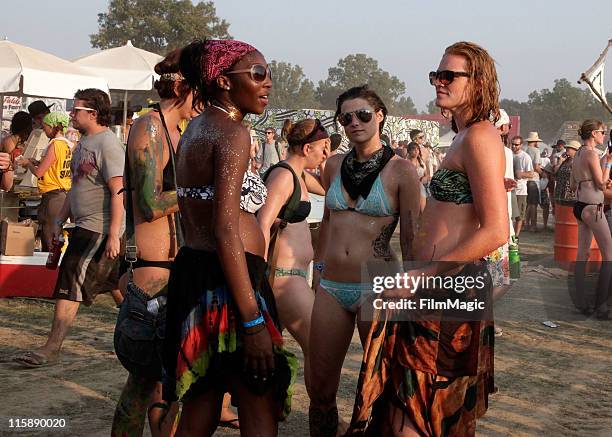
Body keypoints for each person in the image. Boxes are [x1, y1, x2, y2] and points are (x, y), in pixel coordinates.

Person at [349, 41, 508, 437]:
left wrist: (424, 276)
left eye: (449, 76)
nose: (439, 82)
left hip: (447, 290)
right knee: (413, 408)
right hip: (431, 287)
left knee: (420, 412)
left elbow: (496, 230)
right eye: (436, 75)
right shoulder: (461, 136)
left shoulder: (481, 137)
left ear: (479, 82)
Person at [161, 39, 296, 436]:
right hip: (230, 285)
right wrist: (252, 321)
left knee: (202, 400)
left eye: (268, 73)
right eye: (256, 74)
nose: (267, 83)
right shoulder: (231, 133)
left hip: (198, 277)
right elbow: (224, 229)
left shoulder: (196, 129)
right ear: (222, 81)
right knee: (258, 400)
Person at [308, 85, 421, 437]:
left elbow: (412, 238)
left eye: (363, 115)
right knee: (320, 388)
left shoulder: (402, 171)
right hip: (331, 287)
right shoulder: (333, 165)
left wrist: (412, 290)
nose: (354, 122)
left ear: (380, 116)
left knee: (380, 388)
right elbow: (327, 221)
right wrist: (318, 270)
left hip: (379, 284)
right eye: (346, 117)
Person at [110, 49, 199, 437]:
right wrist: (204, 191)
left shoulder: (180, 132)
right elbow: (148, 203)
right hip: (151, 278)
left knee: (176, 386)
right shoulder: (149, 127)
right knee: (142, 386)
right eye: (203, 89)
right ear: (183, 87)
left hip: (176, 273)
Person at [13, 89, 125, 367]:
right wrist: (61, 219)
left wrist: (113, 234)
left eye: (77, 110)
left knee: (70, 285)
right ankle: (146, 328)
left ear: (93, 113)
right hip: (83, 225)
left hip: (97, 229)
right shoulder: (85, 142)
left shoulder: (108, 144)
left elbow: (119, 191)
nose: (71, 114)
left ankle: (52, 347)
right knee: (119, 286)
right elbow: (76, 186)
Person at [257, 118, 330, 397]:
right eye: (323, 147)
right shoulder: (284, 175)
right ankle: (323, 415)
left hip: (294, 277)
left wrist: (328, 160)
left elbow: (330, 187)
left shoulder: (299, 175)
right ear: (307, 147)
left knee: (267, 349)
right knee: (318, 346)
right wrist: (257, 274)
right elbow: (263, 222)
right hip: (284, 279)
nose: (326, 153)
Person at [570, 119, 612, 320]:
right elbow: (601, 183)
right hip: (593, 208)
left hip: (579, 206)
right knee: (609, 254)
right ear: (594, 133)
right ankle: (601, 305)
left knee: (582, 254)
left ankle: (580, 301)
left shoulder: (577, 154)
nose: (604, 135)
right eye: (602, 132)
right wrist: (609, 163)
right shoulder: (591, 154)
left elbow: (571, 184)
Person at [17, 112, 73, 251]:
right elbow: (53, 165)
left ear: (53, 126)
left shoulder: (55, 145)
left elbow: (39, 172)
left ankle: (50, 271)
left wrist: (27, 163)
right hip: (62, 194)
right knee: (54, 237)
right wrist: (35, 161)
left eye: (45, 127)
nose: (44, 130)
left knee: (50, 240)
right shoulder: (66, 144)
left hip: (53, 196)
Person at [512, 135, 534, 238]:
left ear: (521, 145)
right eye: (512, 144)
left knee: (519, 216)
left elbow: (531, 174)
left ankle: (516, 237)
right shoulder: (508, 154)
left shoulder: (525, 157)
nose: (514, 146)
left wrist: (521, 174)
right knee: (509, 215)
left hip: (520, 190)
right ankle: (509, 235)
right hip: (508, 190)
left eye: (516, 144)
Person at [524, 132, 543, 231]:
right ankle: (533, 225)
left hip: (525, 179)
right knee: (533, 204)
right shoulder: (536, 151)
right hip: (533, 179)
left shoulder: (524, 150)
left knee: (528, 204)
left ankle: (526, 223)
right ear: (535, 141)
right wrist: (543, 174)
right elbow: (536, 167)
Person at [406, 141, 427, 212]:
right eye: (414, 149)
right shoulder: (405, 162)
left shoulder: (421, 162)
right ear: (409, 151)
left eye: (417, 149)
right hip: (409, 188)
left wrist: (424, 178)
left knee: (422, 210)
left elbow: (427, 175)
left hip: (421, 187)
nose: (416, 151)